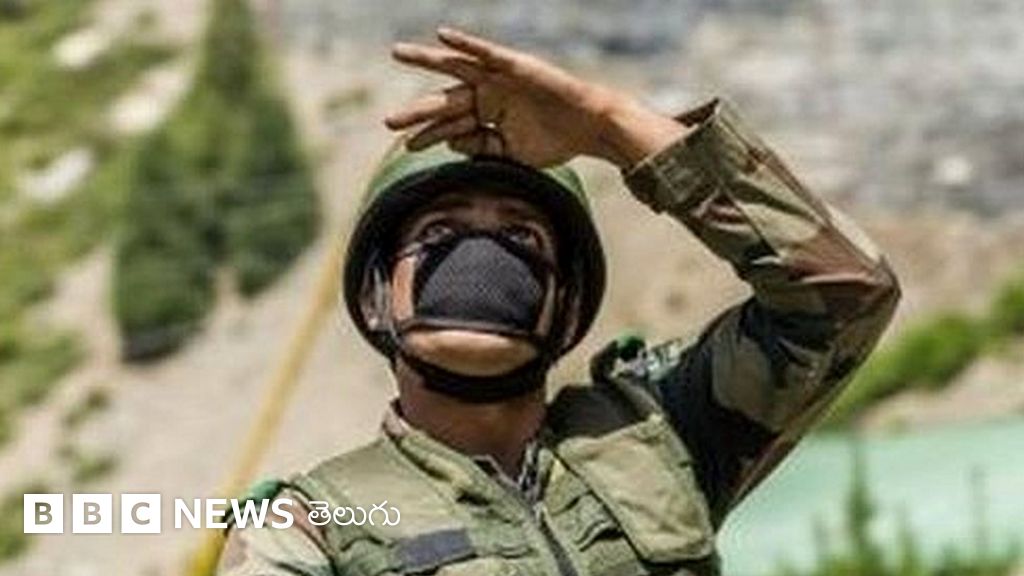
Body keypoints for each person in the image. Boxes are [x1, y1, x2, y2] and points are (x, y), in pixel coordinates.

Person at [217, 27, 900, 576]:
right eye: (440, 234)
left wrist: (612, 128)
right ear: (375, 298)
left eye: (520, 236)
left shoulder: (659, 432)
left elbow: (845, 294)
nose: (480, 260)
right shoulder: (309, 526)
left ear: (569, 303)